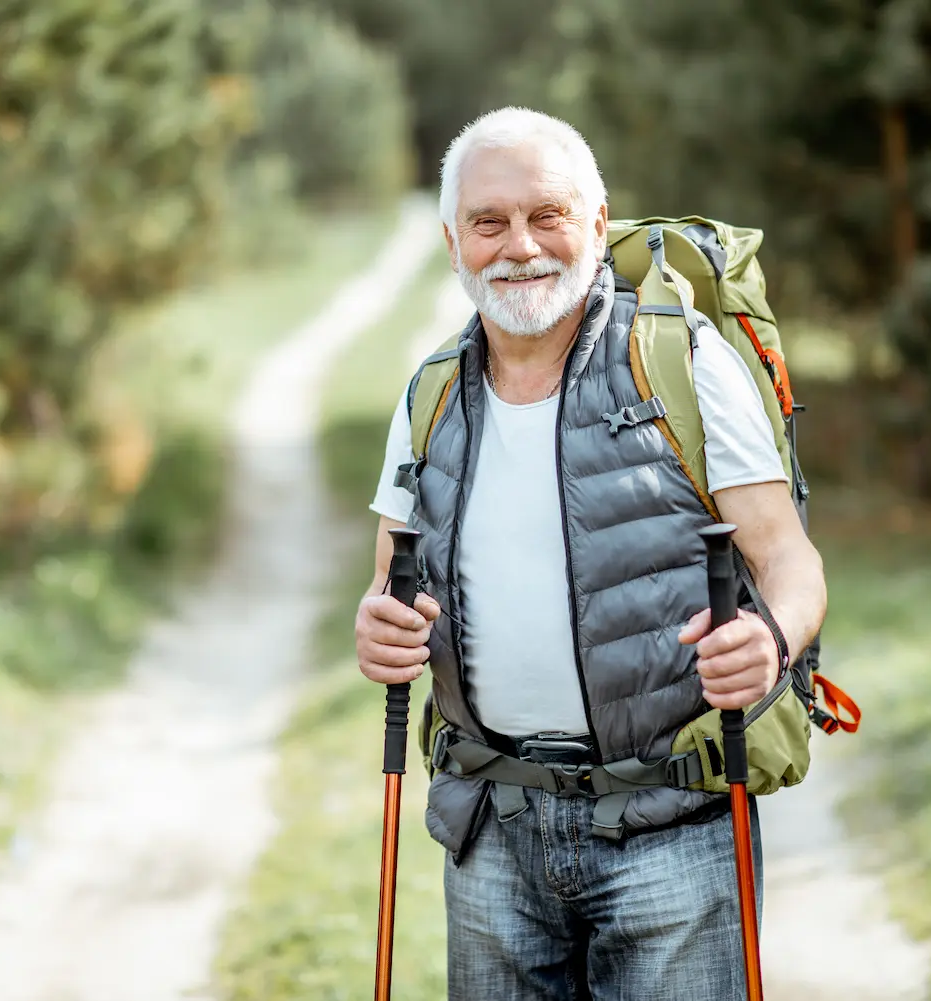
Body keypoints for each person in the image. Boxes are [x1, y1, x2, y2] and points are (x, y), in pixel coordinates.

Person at [354, 106, 828, 1001]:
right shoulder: (430, 396)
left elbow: (791, 564)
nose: (520, 246)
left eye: (549, 215)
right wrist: (376, 626)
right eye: (489, 223)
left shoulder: (681, 366)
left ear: (598, 225)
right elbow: (389, 584)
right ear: (453, 241)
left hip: (673, 824)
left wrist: (771, 639)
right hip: (492, 826)